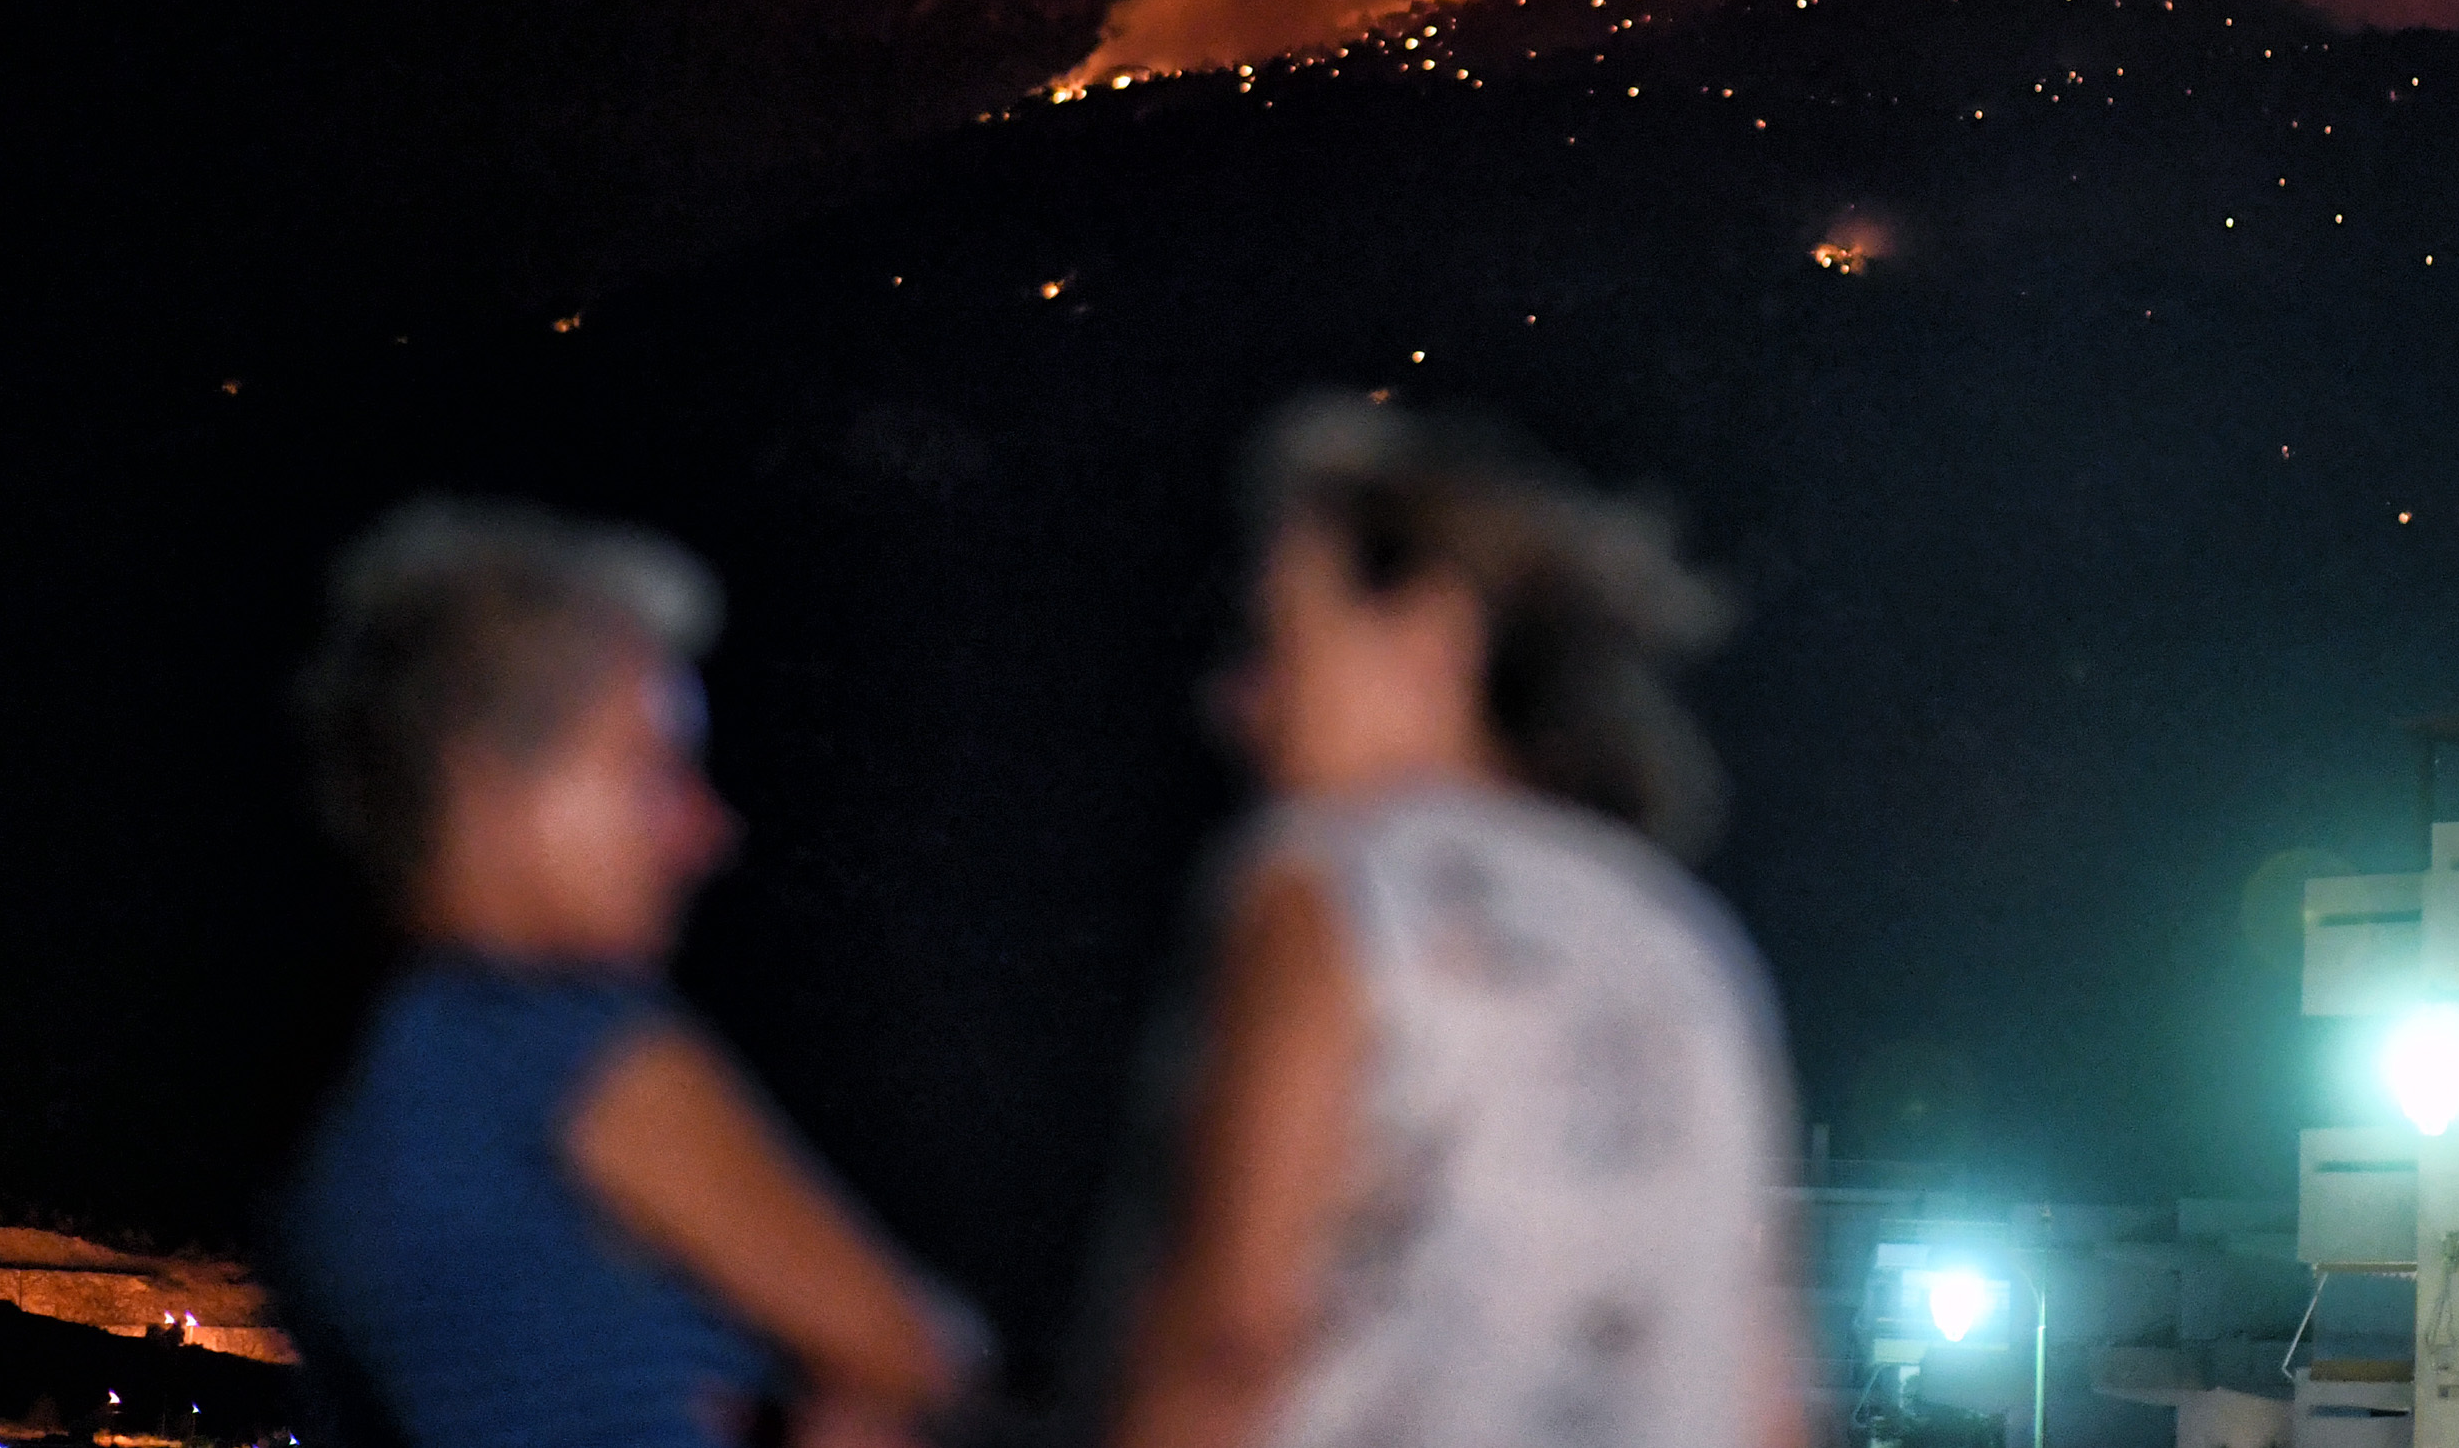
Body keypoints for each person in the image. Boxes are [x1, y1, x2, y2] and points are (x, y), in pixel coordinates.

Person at [1103, 398, 1807, 1448]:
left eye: (1280, 643)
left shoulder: (1336, 885)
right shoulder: (1689, 947)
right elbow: (1770, 1405)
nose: (1243, 702)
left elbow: (1232, 1338)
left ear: (1433, 633)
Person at [276, 498, 987, 1448]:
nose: (707, 830)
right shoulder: (558, 1042)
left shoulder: (353, 1105)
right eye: (656, 768)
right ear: (495, 786)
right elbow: (912, 1355)